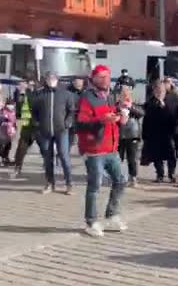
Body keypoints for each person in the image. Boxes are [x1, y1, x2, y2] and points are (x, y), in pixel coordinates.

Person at [75, 64, 127, 238]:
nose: (105, 80)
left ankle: (112, 214)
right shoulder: (87, 98)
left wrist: (121, 117)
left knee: (120, 180)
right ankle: (91, 222)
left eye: (107, 76)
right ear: (94, 79)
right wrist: (101, 120)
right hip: (94, 149)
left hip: (111, 148)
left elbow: (115, 117)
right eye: (101, 77)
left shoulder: (111, 96)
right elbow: (80, 124)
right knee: (95, 186)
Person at [33, 71, 76, 195]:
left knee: (64, 156)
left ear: (57, 79)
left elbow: (71, 111)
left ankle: (69, 184)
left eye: (53, 78)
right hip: (45, 131)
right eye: (48, 78)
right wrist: (37, 123)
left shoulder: (66, 94)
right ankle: (50, 183)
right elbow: (34, 111)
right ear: (45, 80)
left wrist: (67, 122)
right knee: (47, 158)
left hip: (61, 130)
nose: (51, 80)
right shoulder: (39, 94)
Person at [141, 80, 178, 183]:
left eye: (161, 90)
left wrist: (163, 106)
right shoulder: (151, 101)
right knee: (157, 156)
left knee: (171, 154)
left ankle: (172, 174)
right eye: (156, 90)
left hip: (169, 132)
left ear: (164, 90)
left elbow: (174, 114)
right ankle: (160, 174)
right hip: (155, 133)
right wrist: (145, 134)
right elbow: (146, 118)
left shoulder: (172, 98)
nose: (159, 92)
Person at [116, 86, 144, 188]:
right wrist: (118, 111)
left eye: (127, 93)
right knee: (119, 158)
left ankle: (133, 177)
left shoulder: (134, 103)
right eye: (123, 93)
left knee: (132, 158)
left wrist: (130, 106)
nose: (125, 95)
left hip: (133, 134)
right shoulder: (116, 105)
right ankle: (119, 177)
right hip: (119, 134)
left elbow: (141, 113)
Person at [11, 80, 36, 179]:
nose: (29, 86)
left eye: (32, 84)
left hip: (38, 125)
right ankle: (17, 167)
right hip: (26, 124)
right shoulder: (22, 93)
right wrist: (21, 92)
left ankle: (50, 169)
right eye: (28, 84)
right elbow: (19, 105)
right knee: (22, 147)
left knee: (45, 149)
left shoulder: (40, 93)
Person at [0, 98, 17, 167]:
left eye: (12, 105)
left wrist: (14, 127)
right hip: (0, 133)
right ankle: (4, 159)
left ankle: (0, 157)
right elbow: (0, 122)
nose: (11, 106)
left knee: (8, 146)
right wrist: (7, 122)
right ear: (6, 105)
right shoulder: (2, 111)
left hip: (9, 133)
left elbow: (14, 122)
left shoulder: (13, 112)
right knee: (1, 147)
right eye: (9, 104)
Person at [67, 77, 85, 149]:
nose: (79, 85)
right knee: (70, 139)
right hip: (72, 117)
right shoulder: (68, 92)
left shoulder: (85, 92)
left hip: (82, 118)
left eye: (81, 83)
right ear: (73, 82)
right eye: (77, 83)